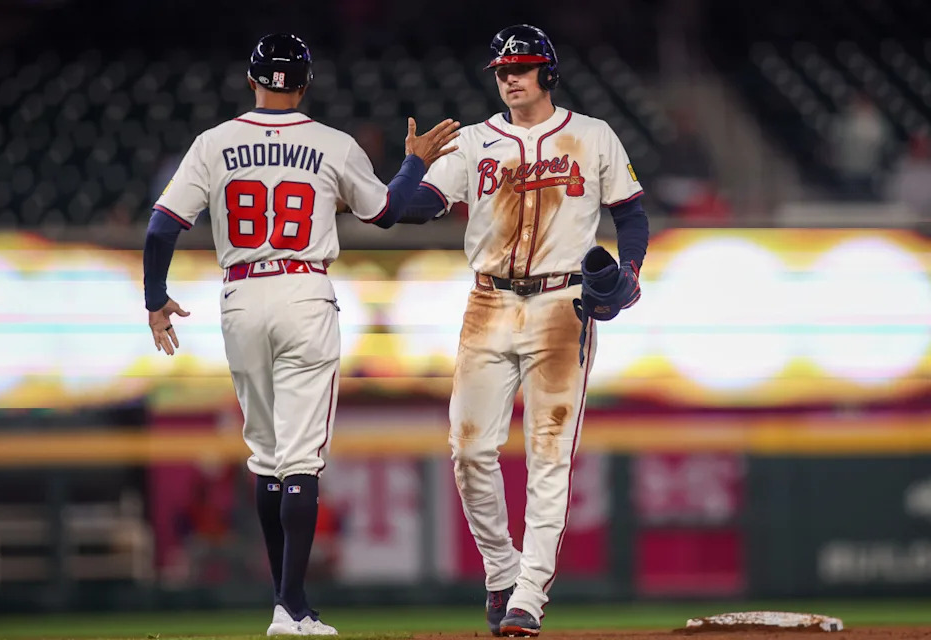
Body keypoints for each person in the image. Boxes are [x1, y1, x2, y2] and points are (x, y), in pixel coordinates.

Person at [142, 33, 459, 636]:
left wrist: (156, 300)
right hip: (304, 288)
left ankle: (287, 603)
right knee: (301, 460)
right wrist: (415, 162)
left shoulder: (214, 143)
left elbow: (160, 229)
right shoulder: (331, 144)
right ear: (306, 84)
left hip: (238, 294)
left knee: (265, 457)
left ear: (251, 79)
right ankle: (291, 606)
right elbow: (387, 212)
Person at [377, 24, 649, 637]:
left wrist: (630, 267)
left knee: (550, 457)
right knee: (469, 450)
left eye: (521, 67)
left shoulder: (591, 135)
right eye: (501, 70)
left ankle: (529, 594)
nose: (509, 77)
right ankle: (502, 572)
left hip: (562, 304)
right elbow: (410, 209)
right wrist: (411, 165)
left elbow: (632, 215)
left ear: (547, 73)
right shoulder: (475, 142)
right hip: (489, 302)